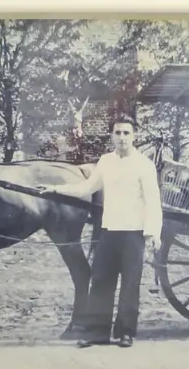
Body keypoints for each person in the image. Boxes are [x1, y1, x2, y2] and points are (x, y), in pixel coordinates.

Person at [38, 116, 162, 348]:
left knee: (130, 284)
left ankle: (125, 332)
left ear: (134, 136)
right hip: (108, 231)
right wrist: (56, 188)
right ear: (112, 136)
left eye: (126, 133)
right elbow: (86, 188)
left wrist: (153, 232)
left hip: (133, 233)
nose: (122, 138)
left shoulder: (144, 165)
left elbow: (153, 200)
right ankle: (97, 332)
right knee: (101, 281)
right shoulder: (105, 161)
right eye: (118, 133)